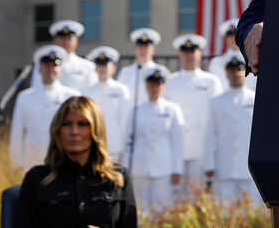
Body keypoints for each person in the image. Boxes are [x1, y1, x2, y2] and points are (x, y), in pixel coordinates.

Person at [18, 96, 137, 227]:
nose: (74, 132)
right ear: (58, 130)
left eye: (82, 124)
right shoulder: (37, 178)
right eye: (67, 124)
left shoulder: (118, 178)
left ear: (96, 129)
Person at [164, 33, 223, 186]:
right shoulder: (170, 81)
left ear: (199, 54)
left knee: (198, 198)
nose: (189, 56)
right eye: (185, 53)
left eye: (192, 52)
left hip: (202, 149)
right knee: (175, 199)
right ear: (179, 55)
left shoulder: (211, 81)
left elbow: (218, 117)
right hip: (176, 150)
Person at [10, 46, 80, 172]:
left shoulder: (71, 96)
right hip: (32, 157)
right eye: (47, 66)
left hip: (62, 156)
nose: (50, 70)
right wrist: (16, 161)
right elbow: (17, 130)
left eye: (54, 66)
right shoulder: (25, 96)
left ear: (60, 70)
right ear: (39, 69)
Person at [122, 67, 184, 212]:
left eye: (158, 85)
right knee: (140, 209)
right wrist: (126, 167)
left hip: (163, 169)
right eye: (151, 85)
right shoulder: (136, 110)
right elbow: (128, 141)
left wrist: (177, 169)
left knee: (162, 209)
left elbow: (177, 142)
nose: (154, 88)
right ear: (146, 86)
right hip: (140, 168)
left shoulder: (172, 110)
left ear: (163, 86)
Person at [203, 54, 258, 203]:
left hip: (249, 167)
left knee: (250, 210)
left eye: (239, 70)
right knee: (225, 212)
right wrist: (209, 164)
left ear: (245, 72)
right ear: (227, 74)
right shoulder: (216, 101)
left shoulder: (255, 99)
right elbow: (210, 135)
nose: (235, 74)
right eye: (231, 71)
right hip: (225, 166)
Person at [83, 46, 132, 162]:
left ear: (113, 68)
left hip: (115, 145)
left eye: (106, 65)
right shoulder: (87, 92)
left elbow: (125, 120)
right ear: (95, 68)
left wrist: (125, 149)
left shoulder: (121, 90)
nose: (103, 69)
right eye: (100, 65)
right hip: (93, 144)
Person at [31, 20, 97, 91]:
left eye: (69, 39)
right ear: (55, 40)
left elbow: (92, 94)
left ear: (76, 41)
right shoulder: (41, 66)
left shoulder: (88, 67)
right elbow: (36, 91)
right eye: (62, 38)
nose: (66, 42)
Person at [117, 27, 171, 105]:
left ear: (153, 49)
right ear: (135, 49)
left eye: (146, 47)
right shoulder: (125, 72)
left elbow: (167, 96)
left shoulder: (162, 71)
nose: (143, 51)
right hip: (130, 116)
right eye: (140, 47)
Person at [208, 18, 256, 91]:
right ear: (226, 39)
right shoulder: (216, 63)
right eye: (230, 36)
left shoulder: (255, 60)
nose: (234, 39)